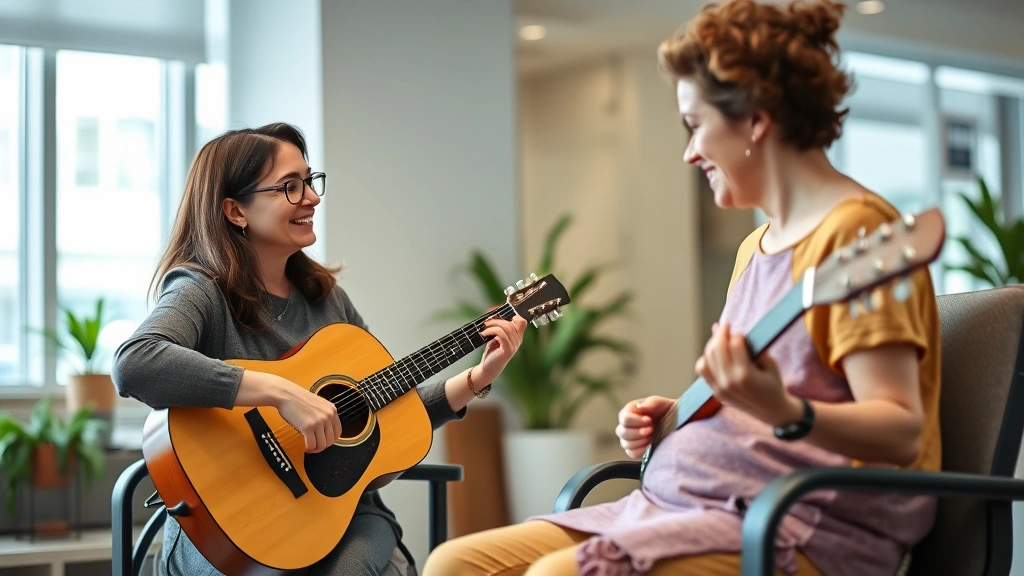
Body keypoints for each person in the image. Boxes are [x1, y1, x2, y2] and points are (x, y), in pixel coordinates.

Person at [422, 1, 940, 575]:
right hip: (688, 506)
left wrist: (782, 408)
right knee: (453, 564)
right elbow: (755, 396)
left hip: (798, 527)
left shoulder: (857, 232)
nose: (689, 152)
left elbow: (899, 429)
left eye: (695, 126)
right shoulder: (756, 247)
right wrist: (680, 416)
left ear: (755, 121)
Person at [112, 122, 527, 576]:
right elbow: (135, 362)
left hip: (341, 514)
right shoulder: (201, 290)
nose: (311, 197)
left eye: (310, 181)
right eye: (290, 187)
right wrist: (279, 393)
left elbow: (385, 419)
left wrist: (477, 379)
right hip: (229, 531)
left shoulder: (327, 298)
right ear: (236, 211)